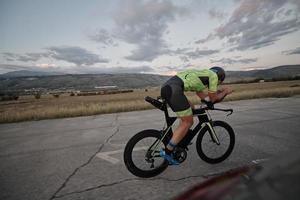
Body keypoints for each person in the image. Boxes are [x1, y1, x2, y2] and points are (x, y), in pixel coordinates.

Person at [160, 66, 233, 165]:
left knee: (191, 107)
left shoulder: (201, 76)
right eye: (219, 83)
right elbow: (212, 99)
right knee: (188, 122)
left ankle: (181, 136)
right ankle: (167, 152)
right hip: (174, 90)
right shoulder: (213, 76)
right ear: (219, 78)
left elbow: (206, 99)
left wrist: (213, 97)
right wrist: (225, 92)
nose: (217, 85)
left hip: (167, 87)